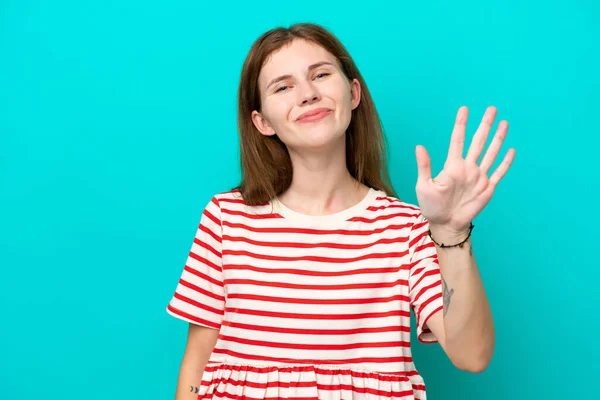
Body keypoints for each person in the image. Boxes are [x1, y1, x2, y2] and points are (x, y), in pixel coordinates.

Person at [166, 23, 516, 400]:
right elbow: (198, 362)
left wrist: (450, 231)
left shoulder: (407, 228)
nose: (308, 94)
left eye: (320, 74)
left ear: (352, 93)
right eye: (283, 87)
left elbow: (472, 355)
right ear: (262, 121)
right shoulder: (225, 218)